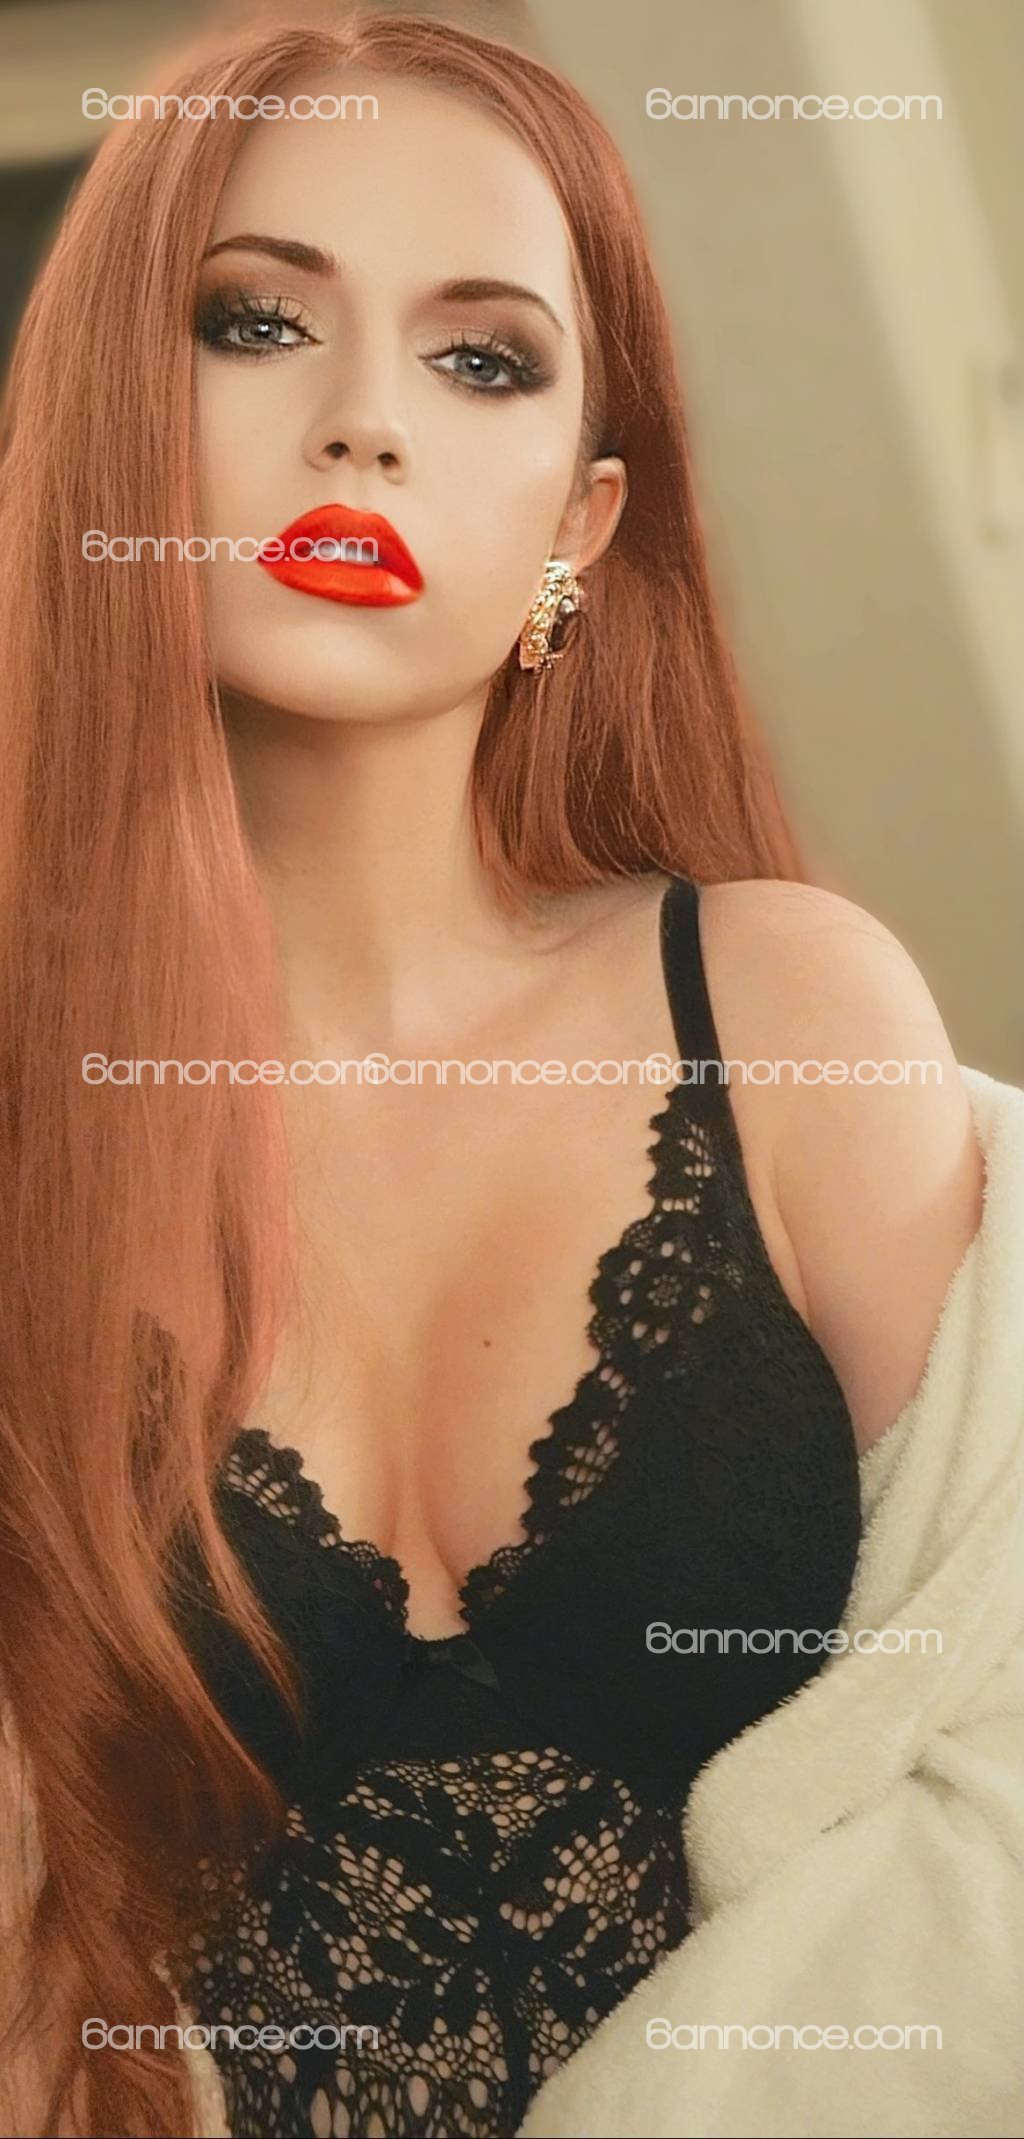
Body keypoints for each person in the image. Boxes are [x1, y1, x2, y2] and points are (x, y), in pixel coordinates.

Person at [0, 13, 991, 2137]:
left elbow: (994, 1770)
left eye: (480, 359)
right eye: (256, 323)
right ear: (104, 423)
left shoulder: (789, 1012)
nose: (362, 422)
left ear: (580, 525)